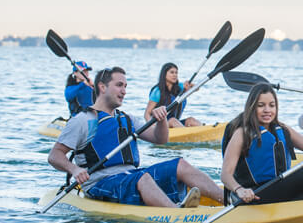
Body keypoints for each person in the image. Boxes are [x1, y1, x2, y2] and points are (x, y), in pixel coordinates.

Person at [48, 66, 223, 207]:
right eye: (119, 85)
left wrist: (161, 120)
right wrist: (75, 170)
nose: (124, 91)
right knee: (142, 178)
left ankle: (229, 199)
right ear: (102, 87)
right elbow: (54, 155)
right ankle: (175, 213)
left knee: (180, 165)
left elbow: (160, 139)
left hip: (130, 176)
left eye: (125, 86)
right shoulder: (83, 120)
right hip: (101, 184)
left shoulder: (127, 119)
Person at [144, 62, 202, 128]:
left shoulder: (180, 87)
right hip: (160, 126)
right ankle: (187, 136)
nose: (175, 75)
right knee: (172, 121)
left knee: (191, 120)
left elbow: (196, 88)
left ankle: (206, 132)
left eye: (176, 73)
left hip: (175, 124)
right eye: (172, 72)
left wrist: (189, 84)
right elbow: (147, 114)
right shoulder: (157, 91)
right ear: (164, 74)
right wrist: (152, 127)